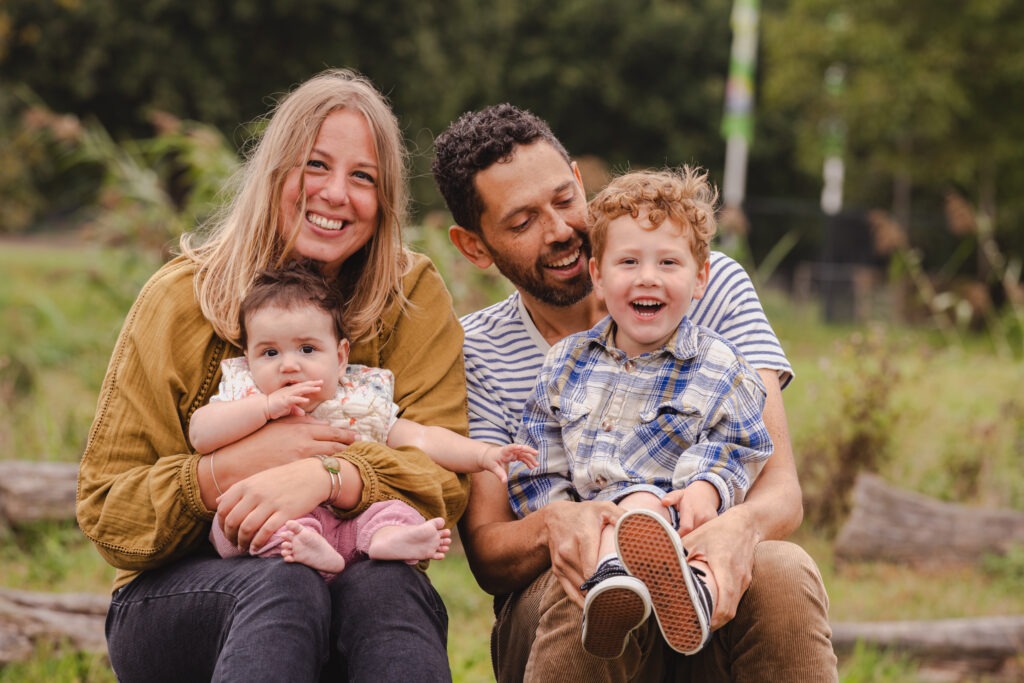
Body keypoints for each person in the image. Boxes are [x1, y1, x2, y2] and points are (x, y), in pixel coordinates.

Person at [77, 69, 468, 682]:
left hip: (350, 569)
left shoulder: (409, 294)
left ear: (385, 199)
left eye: (363, 177)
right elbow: (109, 512)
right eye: (315, 165)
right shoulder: (181, 299)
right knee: (285, 587)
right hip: (185, 599)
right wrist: (233, 469)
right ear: (274, 172)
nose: (337, 193)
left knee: (388, 590)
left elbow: (441, 482)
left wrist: (327, 474)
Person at [432, 103, 838, 681]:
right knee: (583, 596)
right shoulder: (477, 350)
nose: (561, 231)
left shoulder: (705, 283)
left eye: (564, 200)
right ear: (474, 247)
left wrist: (732, 526)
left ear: (579, 180)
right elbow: (490, 551)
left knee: (784, 571)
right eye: (522, 223)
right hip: (564, 593)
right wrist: (560, 525)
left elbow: (780, 491)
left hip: (698, 556)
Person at [507, 167, 774, 659]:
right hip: (597, 527)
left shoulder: (720, 366)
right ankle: (614, 592)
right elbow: (536, 464)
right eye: (628, 261)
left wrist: (707, 487)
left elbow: (742, 443)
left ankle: (696, 596)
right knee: (621, 517)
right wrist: (568, 514)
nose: (647, 277)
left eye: (668, 263)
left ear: (699, 279)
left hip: (685, 525)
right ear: (598, 277)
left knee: (668, 524)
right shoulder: (564, 366)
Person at [190, 263, 537, 578]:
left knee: (391, 508)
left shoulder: (358, 400)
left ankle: (388, 539)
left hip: (349, 523)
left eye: (307, 349)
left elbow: (423, 438)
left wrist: (482, 454)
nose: (289, 365)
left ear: (340, 357)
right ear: (248, 359)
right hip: (279, 522)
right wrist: (264, 408)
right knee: (233, 523)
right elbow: (201, 434)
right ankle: (308, 547)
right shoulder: (245, 397)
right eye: (270, 353)